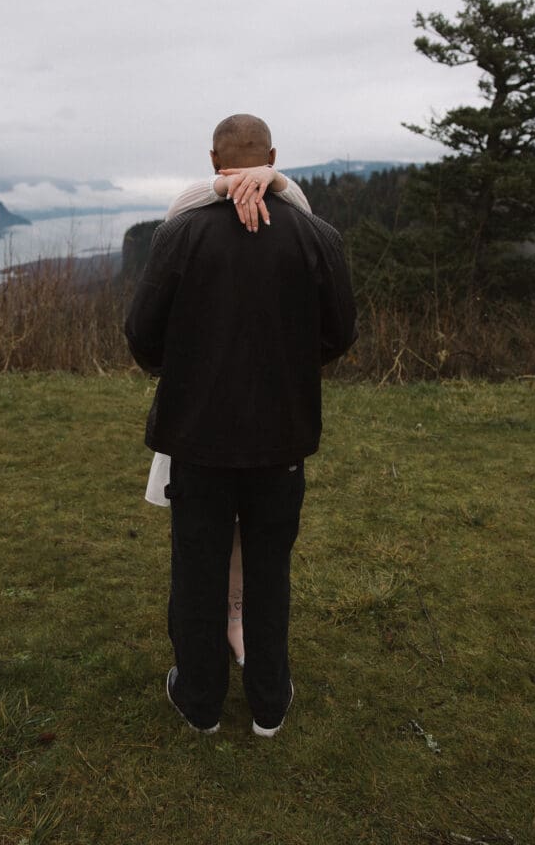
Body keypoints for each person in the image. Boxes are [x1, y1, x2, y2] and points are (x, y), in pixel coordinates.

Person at [125, 114, 357, 736]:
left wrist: (184, 371)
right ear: (274, 158)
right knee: (269, 569)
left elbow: (141, 335)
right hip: (282, 438)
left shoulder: (180, 235)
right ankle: (269, 703)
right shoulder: (316, 236)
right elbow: (340, 333)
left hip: (196, 440)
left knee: (197, 570)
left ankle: (200, 703)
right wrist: (289, 367)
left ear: (212, 162)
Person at [143, 161, 312, 668]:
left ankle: (232, 621)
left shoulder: (285, 212)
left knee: (227, 532)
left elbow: (305, 210)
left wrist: (274, 182)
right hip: (223, 410)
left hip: (227, 412)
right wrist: (227, 187)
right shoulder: (196, 213)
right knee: (208, 535)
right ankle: (208, 629)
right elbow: (177, 210)